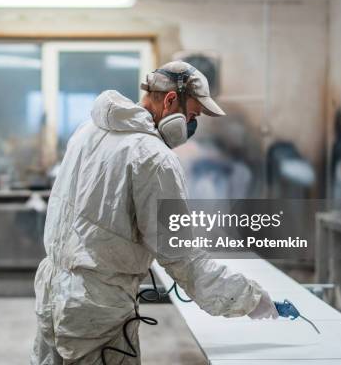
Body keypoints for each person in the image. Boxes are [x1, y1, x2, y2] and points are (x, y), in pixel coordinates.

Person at [31, 61, 278, 365]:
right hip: (98, 308)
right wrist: (249, 298)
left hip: (52, 295)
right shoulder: (153, 157)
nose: (190, 125)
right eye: (192, 115)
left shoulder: (87, 131)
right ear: (171, 100)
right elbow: (183, 259)